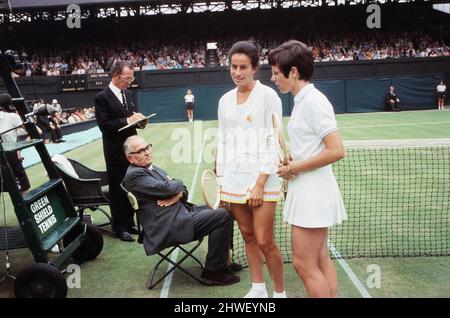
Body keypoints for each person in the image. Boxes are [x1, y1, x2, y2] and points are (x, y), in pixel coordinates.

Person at [269, 40, 347, 298]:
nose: (272, 78)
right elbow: (311, 146)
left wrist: (295, 166)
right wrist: (293, 159)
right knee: (321, 258)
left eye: (276, 73)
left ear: (293, 72)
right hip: (309, 188)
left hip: (314, 192)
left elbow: (336, 150)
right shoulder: (302, 101)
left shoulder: (314, 101)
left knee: (304, 264)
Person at [216, 41, 286, 298]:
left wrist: (259, 182)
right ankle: (258, 288)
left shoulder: (269, 96)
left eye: (243, 67)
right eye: (233, 67)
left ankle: (280, 293)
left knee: (265, 240)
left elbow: (274, 142)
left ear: (255, 68)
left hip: (263, 181)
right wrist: (221, 183)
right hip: (233, 180)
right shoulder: (224, 101)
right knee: (247, 235)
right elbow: (222, 141)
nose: (237, 72)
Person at [122, 135, 240, 286]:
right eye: (140, 151)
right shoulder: (134, 175)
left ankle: (223, 262)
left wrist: (176, 194)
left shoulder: (151, 167)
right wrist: (176, 185)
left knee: (224, 208)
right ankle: (213, 272)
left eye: (147, 147)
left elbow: (180, 190)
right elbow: (167, 188)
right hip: (168, 226)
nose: (147, 152)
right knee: (222, 216)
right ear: (130, 158)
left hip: (179, 212)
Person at [95, 60, 148, 242]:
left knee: (131, 186)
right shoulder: (102, 97)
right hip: (115, 152)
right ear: (116, 76)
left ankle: (130, 222)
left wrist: (140, 122)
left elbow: (130, 119)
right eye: (127, 78)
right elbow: (105, 126)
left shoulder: (129, 94)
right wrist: (127, 120)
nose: (130, 81)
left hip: (132, 149)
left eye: (131, 78)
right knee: (118, 189)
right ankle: (120, 227)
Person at [0, 93, 30, 195]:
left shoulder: (12, 117)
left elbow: (35, 132)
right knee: (23, 187)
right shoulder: (13, 116)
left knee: (22, 186)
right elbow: (36, 132)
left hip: (11, 156)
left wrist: (18, 149)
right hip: (9, 156)